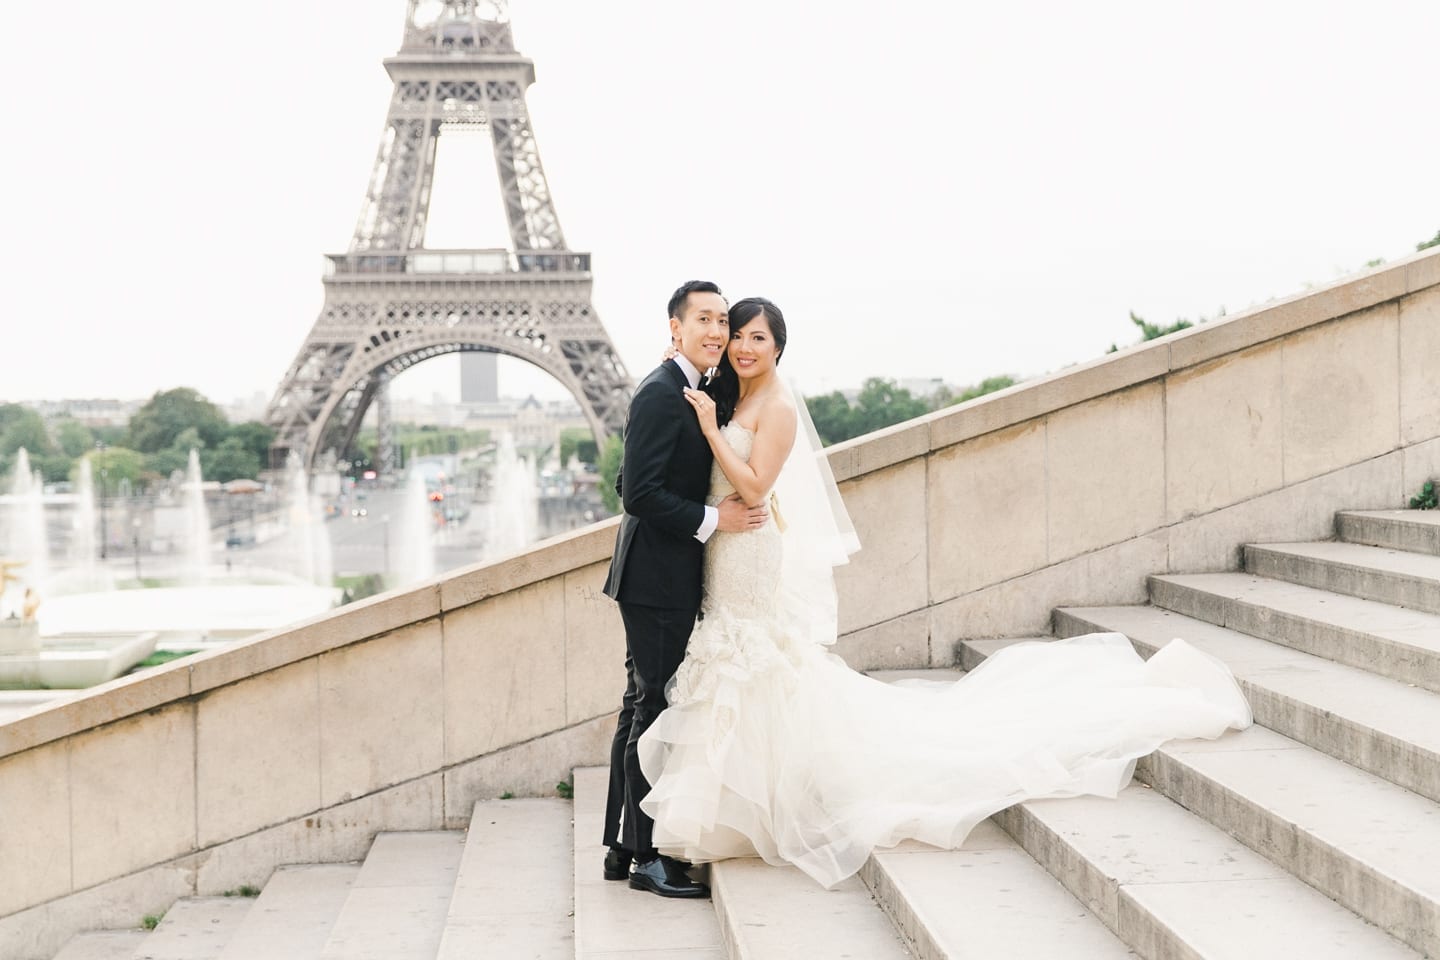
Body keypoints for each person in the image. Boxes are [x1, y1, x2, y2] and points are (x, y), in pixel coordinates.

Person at [636, 297, 1254, 888]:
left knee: (750, 662)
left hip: (746, 545)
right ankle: (736, 808)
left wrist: (714, 433)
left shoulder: (774, 407)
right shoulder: (724, 393)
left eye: (756, 336)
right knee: (738, 665)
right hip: (724, 553)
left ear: (779, 347)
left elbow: (755, 484)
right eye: (737, 333)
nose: (742, 345)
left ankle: (752, 806)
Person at [600, 280, 769, 899]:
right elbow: (636, 492)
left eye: (723, 320)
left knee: (639, 707)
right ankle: (647, 859)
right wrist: (711, 521)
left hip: (653, 573)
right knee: (654, 710)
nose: (717, 331)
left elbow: (630, 477)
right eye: (705, 319)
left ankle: (623, 848)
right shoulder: (660, 392)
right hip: (657, 576)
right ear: (675, 327)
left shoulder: (685, 389)